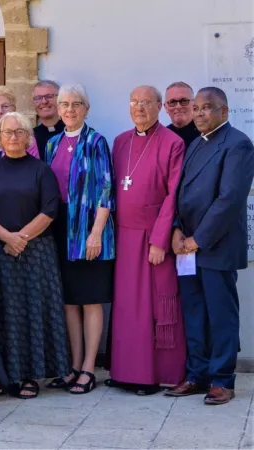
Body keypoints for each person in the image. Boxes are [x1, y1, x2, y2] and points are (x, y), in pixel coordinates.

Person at [167, 87, 254, 405]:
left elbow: (229, 200)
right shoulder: (195, 145)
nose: (200, 113)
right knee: (195, 313)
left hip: (215, 247)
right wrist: (177, 230)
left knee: (220, 315)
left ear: (225, 112)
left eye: (208, 108)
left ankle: (222, 380)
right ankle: (197, 375)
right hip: (187, 248)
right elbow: (180, 192)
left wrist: (197, 239)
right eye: (198, 108)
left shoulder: (238, 144)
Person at [0, 112, 70, 399]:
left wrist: (21, 239)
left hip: (35, 253)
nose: (13, 137)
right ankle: (4, 376)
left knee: (31, 314)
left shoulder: (41, 170)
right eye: (7, 132)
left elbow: (50, 209)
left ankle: (29, 376)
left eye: (19, 132)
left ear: (29, 137)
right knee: (3, 315)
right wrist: (8, 238)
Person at [106, 86, 187, 396]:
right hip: (123, 239)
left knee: (156, 306)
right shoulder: (120, 142)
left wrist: (160, 240)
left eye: (147, 103)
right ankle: (126, 372)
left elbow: (173, 194)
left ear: (159, 107)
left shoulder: (173, 143)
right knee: (128, 309)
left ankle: (155, 375)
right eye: (135, 102)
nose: (140, 108)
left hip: (152, 238)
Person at [44, 84, 115, 395]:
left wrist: (96, 233)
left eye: (76, 104)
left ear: (87, 109)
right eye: (64, 104)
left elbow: (106, 190)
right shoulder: (52, 143)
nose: (69, 110)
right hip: (60, 230)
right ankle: (74, 365)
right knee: (70, 301)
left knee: (90, 298)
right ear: (58, 109)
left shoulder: (97, 142)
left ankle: (89, 367)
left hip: (89, 230)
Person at [0, 85, 39, 158]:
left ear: (14, 110)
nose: (0, 111)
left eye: (5, 106)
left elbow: (33, 167)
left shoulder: (26, 140)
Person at [165, 81, 201, 148]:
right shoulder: (162, 136)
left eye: (184, 101)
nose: (178, 106)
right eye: (172, 102)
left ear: (194, 105)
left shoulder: (205, 135)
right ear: (166, 108)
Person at [32, 80, 65, 151]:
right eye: (38, 98)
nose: (44, 101)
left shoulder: (73, 132)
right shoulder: (30, 136)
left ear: (60, 99)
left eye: (49, 96)